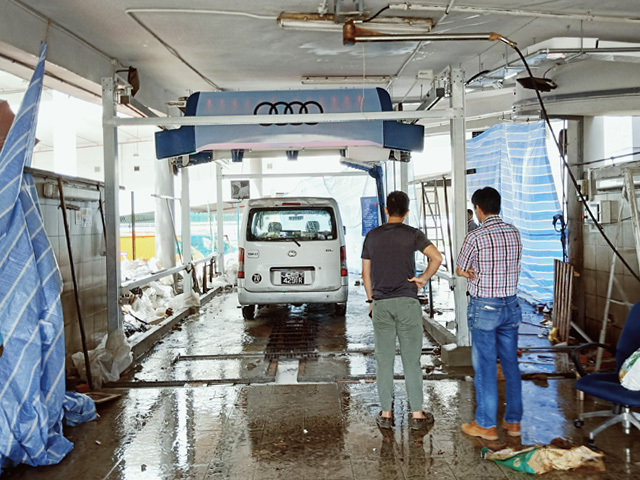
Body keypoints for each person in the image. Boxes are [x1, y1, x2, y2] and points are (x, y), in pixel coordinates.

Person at [362, 191, 442, 430]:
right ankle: (417, 414)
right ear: (406, 212)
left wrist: (371, 300)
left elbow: (366, 273)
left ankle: (386, 414)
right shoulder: (413, 234)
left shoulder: (372, 236)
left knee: (384, 359)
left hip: (381, 304)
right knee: (411, 360)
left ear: (386, 210)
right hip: (407, 303)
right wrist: (422, 279)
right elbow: (436, 258)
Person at [456, 187, 523, 440]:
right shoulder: (514, 233)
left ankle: (486, 425)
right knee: (510, 365)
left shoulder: (476, 236)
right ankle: (513, 423)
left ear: (478, 209)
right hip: (511, 306)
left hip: (485, 307)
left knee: (484, 366)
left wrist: (470, 272)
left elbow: (461, 268)